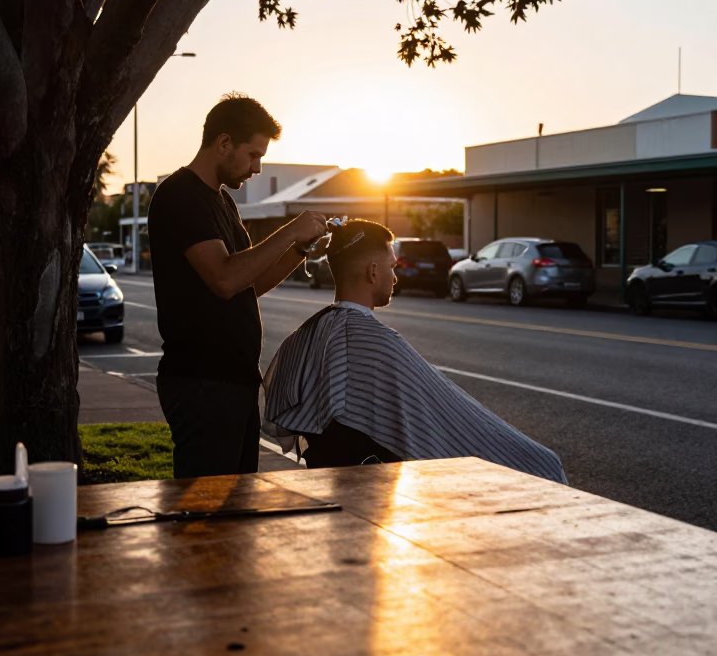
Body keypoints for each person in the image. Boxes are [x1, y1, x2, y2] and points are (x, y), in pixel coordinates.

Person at [263, 219, 566, 483]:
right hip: (370, 480)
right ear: (372, 271)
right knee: (543, 462)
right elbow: (452, 416)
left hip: (329, 472)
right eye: (391, 267)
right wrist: (539, 462)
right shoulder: (379, 343)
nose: (395, 278)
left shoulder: (307, 332)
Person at [148, 93, 327, 478]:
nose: (257, 168)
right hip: (201, 385)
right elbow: (225, 278)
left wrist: (299, 248)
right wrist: (290, 228)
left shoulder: (222, 203)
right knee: (205, 517)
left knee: (235, 511)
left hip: (235, 383)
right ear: (224, 142)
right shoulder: (180, 195)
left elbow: (250, 282)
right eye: (253, 155)